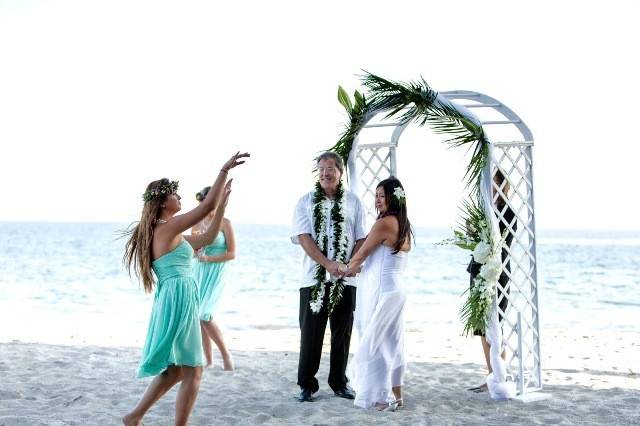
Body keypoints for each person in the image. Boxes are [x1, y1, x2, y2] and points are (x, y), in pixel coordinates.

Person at [122, 152, 249, 426]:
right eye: (175, 194)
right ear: (163, 201)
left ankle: (134, 416)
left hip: (178, 296)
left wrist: (222, 207)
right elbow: (204, 209)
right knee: (192, 369)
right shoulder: (167, 227)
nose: (179, 198)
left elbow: (207, 236)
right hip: (178, 297)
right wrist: (223, 169)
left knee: (180, 369)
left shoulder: (169, 231)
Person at [291, 151, 366, 402]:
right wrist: (327, 264)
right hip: (313, 277)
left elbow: (361, 238)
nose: (325, 173)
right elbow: (304, 237)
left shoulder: (354, 202)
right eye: (321, 169)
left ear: (340, 172)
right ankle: (306, 385)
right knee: (311, 333)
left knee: (342, 333)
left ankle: (339, 383)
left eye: (330, 168)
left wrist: (349, 264)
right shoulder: (305, 201)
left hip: (346, 279)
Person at [338, 176, 413, 411]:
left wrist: (346, 269)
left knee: (377, 342)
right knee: (393, 342)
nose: (377, 200)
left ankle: (383, 396)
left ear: (393, 198)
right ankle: (397, 394)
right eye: (376, 195)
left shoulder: (384, 223)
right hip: (396, 289)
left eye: (382, 195)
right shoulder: (404, 223)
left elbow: (363, 253)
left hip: (382, 290)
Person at [467, 169, 517, 393]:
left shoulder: (506, 213)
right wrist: (472, 231)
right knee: (481, 328)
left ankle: (499, 374)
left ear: (502, 186)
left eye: (493, 184)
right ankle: (491, 374)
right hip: (478, 272)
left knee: (494, 327)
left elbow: (498, 244)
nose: (489, 188)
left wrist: (480, 230)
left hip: (497, 274)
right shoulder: (485, 212)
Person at [191, 186, 236, 371]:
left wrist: (209, 258)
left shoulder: (225, 223)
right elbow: (193, 249)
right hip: (198, 271)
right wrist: (196, 253)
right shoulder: (196, 224)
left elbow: (232, 254)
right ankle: (208, 360)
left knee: (205, 315)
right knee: (198, 316)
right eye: (206, 201)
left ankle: (226, 354)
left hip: (216, 270)